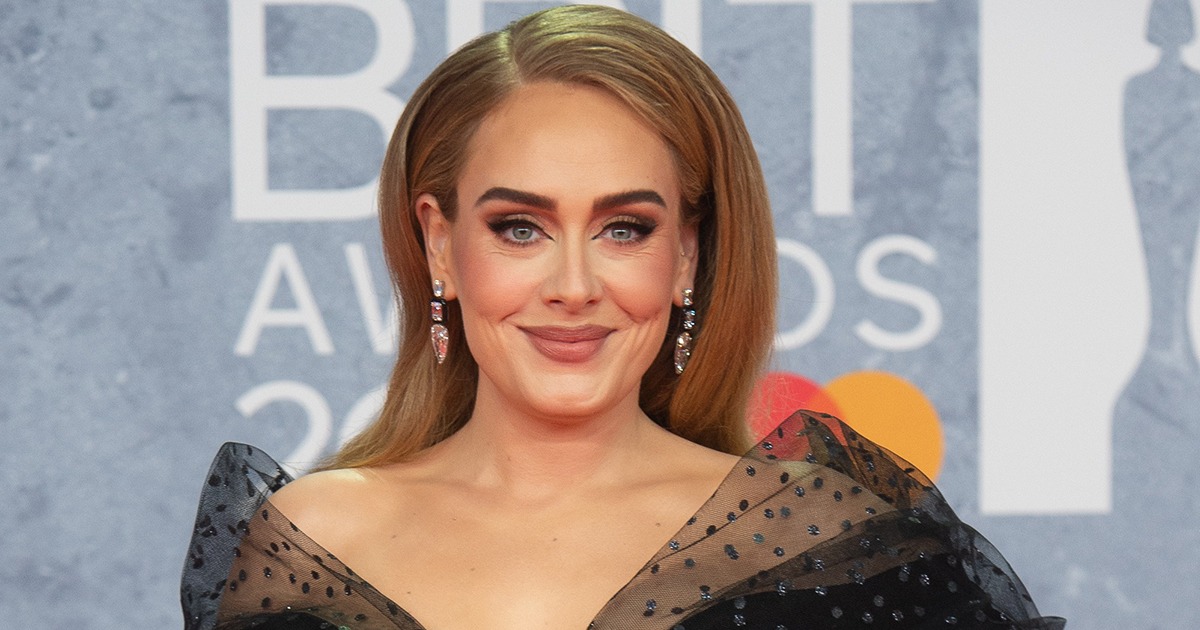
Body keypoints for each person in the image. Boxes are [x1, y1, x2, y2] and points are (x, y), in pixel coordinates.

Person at [182, 6, 1064, 629]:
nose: (574, 285)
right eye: (519, 227)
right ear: (439, 243)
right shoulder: (311, 540)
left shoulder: (829, 542)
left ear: (685, 255)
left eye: (624, 229)